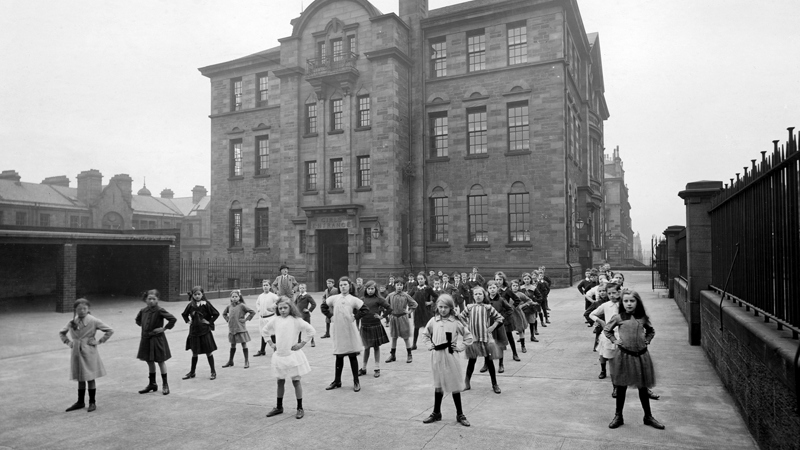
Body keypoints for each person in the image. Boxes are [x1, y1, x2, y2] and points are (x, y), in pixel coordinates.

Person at [605, 290, 664, 430]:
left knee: (643, 387)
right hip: (624, 356)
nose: (629, 304)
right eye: (626, 301)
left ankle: (648, 416)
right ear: (622, 303)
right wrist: (615, 340)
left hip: (641, 356)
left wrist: (647, 340)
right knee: (621, 387)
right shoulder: (618, 317)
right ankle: (618, 416)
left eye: (632, 301)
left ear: (637, 302)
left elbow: (651, 331)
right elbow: (607, 330)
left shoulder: (642, 317)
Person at [420, 295, 473, 427]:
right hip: (437, 355)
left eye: (446, 307)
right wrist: (429, 345)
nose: (443, 310)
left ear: (451, 308)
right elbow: (425, 334)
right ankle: (436, 412)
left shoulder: (455, 322)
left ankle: (460, 413)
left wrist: (460, 347)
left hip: (450, 355)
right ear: (437, 307)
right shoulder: (433, 321)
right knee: (438, 385)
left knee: (454, 384)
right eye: (441, 307)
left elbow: (468, 337)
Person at [264, 297, 315, 420]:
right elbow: (265, 330)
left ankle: (299, 408)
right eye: (280, 308)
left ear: (290, 307)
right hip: (280, 355)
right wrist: (271, 343)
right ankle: (279, 406)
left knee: (296, 381)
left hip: (292, 355)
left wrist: (301, 344)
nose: (282, 310)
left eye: (285, 308)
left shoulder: (296, 320)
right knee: (280, 381)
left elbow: (311, 330)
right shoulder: (275, 320)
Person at [59, 298, 113, 412]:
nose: (82, 311)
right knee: (80, 377)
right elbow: (62, 332)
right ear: (75, 310)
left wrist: (99, 341)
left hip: (89, 352)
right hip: (76, 352)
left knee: (90, 377)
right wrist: (68, 342)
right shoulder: (72, 321)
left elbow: (109, 330)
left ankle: (92, 402)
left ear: (88, 309)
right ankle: (80, 401)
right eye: (79, 309)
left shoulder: (93, 320)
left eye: (84, 308)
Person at [320, 277, 370, 392]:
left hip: (349, 329)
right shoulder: (334, 298)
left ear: (349, 286)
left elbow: (365, 309)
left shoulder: (353, 299)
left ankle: (356, 381)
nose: (343, 287)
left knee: (352, 355)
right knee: (339, 356)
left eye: (345, 285)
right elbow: (323, 306)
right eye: (341, 285)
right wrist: (330, 316)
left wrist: (355, 317)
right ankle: (337, 381)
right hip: (338, 329)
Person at [460, 286, 503, 394]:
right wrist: (466, 325)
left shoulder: (488, 307)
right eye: (476, 294)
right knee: (471, 361)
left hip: (485, 339)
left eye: (480, 294)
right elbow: (460, 317)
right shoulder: (469, 307)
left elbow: (499, 318)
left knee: (489, 362)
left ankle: (494, 384)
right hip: (473, 339)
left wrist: (493, 327)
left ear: (484, 295)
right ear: (473, 296)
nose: (478, 296)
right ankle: (467, 383)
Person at [136, 289, 177, 395]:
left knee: (160, 361)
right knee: (149, 361)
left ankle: (165, 384)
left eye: (154, 299)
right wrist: (145, 327)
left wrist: (163, 329)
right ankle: (152, 383)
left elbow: (172, 319)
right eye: (149, 299)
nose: (151, 301)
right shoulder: (143, 311)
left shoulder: (160, 310)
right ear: (146, 299)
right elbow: (138, 320)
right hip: (146, 339)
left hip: (157, 340)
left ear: (158, 300)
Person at [181, 286, 220, 380]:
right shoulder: (190, 305)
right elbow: (184, 314)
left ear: (202, 294)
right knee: (194, 352)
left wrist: (209, 322)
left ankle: (213, 372)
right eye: (195, 294)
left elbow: (216, 313)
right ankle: (192, 372)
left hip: (205, 331)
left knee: (208, 352)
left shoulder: (206, 304)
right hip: (194, 332)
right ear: (193, 295)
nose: (197, 296)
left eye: (199, 294)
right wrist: (188, 321)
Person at [590, 282, 621, 391]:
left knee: (618, 359)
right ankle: (603, 370)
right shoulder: (606, 305)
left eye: (614, 293)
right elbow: (591, 314)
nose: (612, 295)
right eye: (609, 293)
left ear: (619, 292)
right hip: (609, 334)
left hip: (621, 334)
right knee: (604, 354)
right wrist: (601, 321)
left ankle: (618, 384)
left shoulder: (623, 304)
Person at [358, 280, 391, 377]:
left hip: (375, 325)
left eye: (372, 289)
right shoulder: (362, 299)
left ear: (375, 289)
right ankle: (363, 368)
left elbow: (389, 308)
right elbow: (357, 311)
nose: (370, 291)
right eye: (368, 289)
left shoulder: (379, 299)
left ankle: (377, 368)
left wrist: (382, 316)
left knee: (376, 347)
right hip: (365, 325)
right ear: (366, 289)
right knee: (366, 348)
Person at [385, 279, 418, 364]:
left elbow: (414, 304)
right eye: (397, 285)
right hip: (393, 318)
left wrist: (409, 312)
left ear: (403, 286)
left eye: (401, 285)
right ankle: (393, 355)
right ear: (395, 286)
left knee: (405, 337)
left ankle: (409, 354)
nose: (399, 286)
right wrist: (388, 312)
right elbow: (384, 304)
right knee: (394, 337)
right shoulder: (390, 295)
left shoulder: (405, 295)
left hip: (403, 318)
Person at [484, 280, 513, 373]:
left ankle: (501, 364)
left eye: (494, 288)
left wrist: (502, 317)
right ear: (487, 289)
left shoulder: (501, 300)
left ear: (497, 289)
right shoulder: (485, 300)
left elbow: (510, 309)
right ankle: (486, 364)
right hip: (488, 326)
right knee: (487, 345)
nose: (492, 290)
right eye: (490, 288)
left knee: (500, 345)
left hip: (498, 325)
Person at [221, 290, 256, 369]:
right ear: (230, 298)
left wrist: (246, 319)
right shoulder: (229, 306)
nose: (234, 298)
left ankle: (246, 361)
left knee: (243, 343)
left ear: (239, 297)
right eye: (232, 297)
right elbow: (224, 314)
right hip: (232, 328)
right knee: (232, 344)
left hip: (240, 328)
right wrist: (228, 319)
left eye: (236, 296)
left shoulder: (242, 305)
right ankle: (230, 361)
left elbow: (252, 312)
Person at [410, 273, 438, 351]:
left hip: (426, 311)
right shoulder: (414, 288)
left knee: (429, 328)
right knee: (416, 327)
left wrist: (430, 302)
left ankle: (432, 343)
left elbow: (436, 296)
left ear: (425, 279)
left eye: (421, 279)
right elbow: (408, 296)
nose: (420, 280)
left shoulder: (428, 288)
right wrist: (412, 304)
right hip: (417, 311)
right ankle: (414, 344)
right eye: (418, 279)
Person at [254, 280, 279, 356]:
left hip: (270, 317)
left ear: (270, 286)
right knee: (263, 333)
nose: (265, 287)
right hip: (262, 318)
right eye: (264, 285)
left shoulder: (273, 295)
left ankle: (276, 350)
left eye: (266, 285)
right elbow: (257, 303)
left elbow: (278, 301)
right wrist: (259, 309)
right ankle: (262, 350)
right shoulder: (260, 296)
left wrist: (273, 307)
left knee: (272, 334)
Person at [519, 273, 543, 341]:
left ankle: (532, 336)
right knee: (522, 322)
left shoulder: (533, 288)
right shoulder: (520, 288)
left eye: (528, 279)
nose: (526, 280)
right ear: (523, 280)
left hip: (531, 308)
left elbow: (540, 296)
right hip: (523, 308)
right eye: (525, 279)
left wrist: (535, 302)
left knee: (532, 322)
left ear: (530, 279)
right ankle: (521, 337)